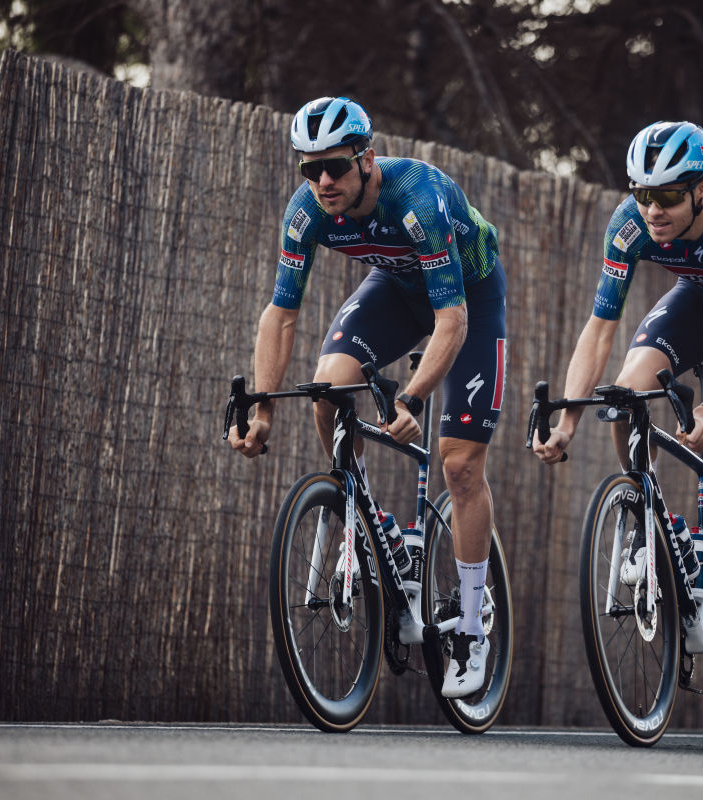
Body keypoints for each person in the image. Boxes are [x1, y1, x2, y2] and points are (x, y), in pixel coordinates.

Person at [230, 96, 507, 699]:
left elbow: (451, 321)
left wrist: (409, 396)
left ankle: (470, 622)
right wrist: (264, 406)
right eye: (310, 168)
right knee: (328, 386)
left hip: (467, 299)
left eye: (334, 166)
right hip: (395, 288)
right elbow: (280, 314)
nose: (322, 181)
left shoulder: (418, 197)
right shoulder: (307, 211)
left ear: (366, 159)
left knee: (459, 464)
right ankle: (361, 509)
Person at [532, 121, 703, 708]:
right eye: (642, 194)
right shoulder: (630, 224)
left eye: (668, 197)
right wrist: (569, 422)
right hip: (700, 300)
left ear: (701, 188)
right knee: (626, 395)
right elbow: (601, 325)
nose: (652, 210)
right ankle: (647, 528)